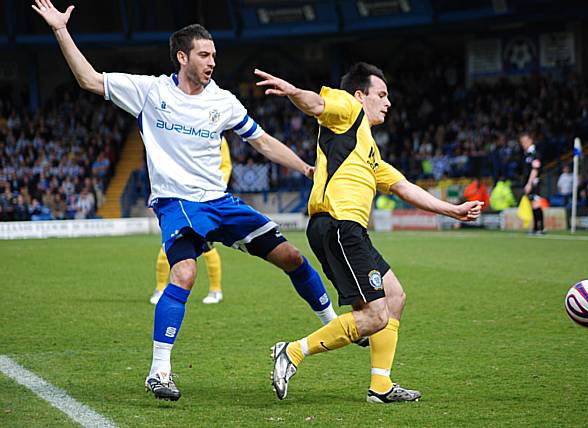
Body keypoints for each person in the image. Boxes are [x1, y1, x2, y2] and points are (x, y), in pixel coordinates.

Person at [33, 1, 343, 402]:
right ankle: (159, 371)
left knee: (292, 258)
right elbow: (89, 79)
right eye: (204, 54)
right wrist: (60, 29)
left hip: (220, 201)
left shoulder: (224, 101)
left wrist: (306, 169)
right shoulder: (150, 92)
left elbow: (262, 141)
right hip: (177, 202)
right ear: (182, 57)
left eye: (214, 54)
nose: (212, 61)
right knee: (183, 274)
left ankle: (333, 325)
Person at [255, 63, 482, 403]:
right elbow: (317, 105)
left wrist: (452, 210)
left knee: (395, 298)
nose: (388, 102)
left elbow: (404, 187)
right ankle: (292, 352)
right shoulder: (349, 109)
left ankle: (381, 387)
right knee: (375, 316)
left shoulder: (369, 151)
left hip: (347, 230)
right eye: (381, 94)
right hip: (339, 225)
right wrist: (293, 92)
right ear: (360, 95)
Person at [149, 137, 232, 305]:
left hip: (206, 200)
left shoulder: (217, 137)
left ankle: (216, 290)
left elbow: (225, 166)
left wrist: (213, 189)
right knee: (169, 244)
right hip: (180, 199)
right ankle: (160, 289)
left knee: (208, 247)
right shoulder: (180, 132)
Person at [519, 132, 544, 234]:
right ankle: (535, 228)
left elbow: (535, 170)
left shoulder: (535, 154)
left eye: (525, 142)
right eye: (522, 142)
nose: (523, 144)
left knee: (535, 204)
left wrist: (529, 183)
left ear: (530, 141)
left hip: (534, 183)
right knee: (532, 204)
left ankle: (541, 228)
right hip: (529, 183)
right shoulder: (527, 154)